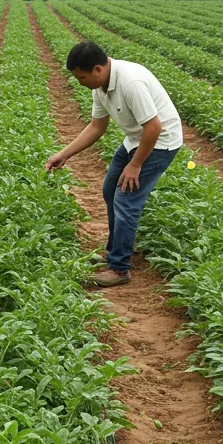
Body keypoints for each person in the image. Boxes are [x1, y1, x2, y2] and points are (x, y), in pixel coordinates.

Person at [44, 41, 182, 288]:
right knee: (111, 190)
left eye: (81, 77)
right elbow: (97, 126)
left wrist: (136, 165)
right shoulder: (100, 85)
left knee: (126, 199)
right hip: (135, 139)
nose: (80, 83)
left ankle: (119, 269)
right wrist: (64, 154)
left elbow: (154, 127)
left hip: (159, 142)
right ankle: (115, 250)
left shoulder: (130, 82)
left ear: (97, 69)